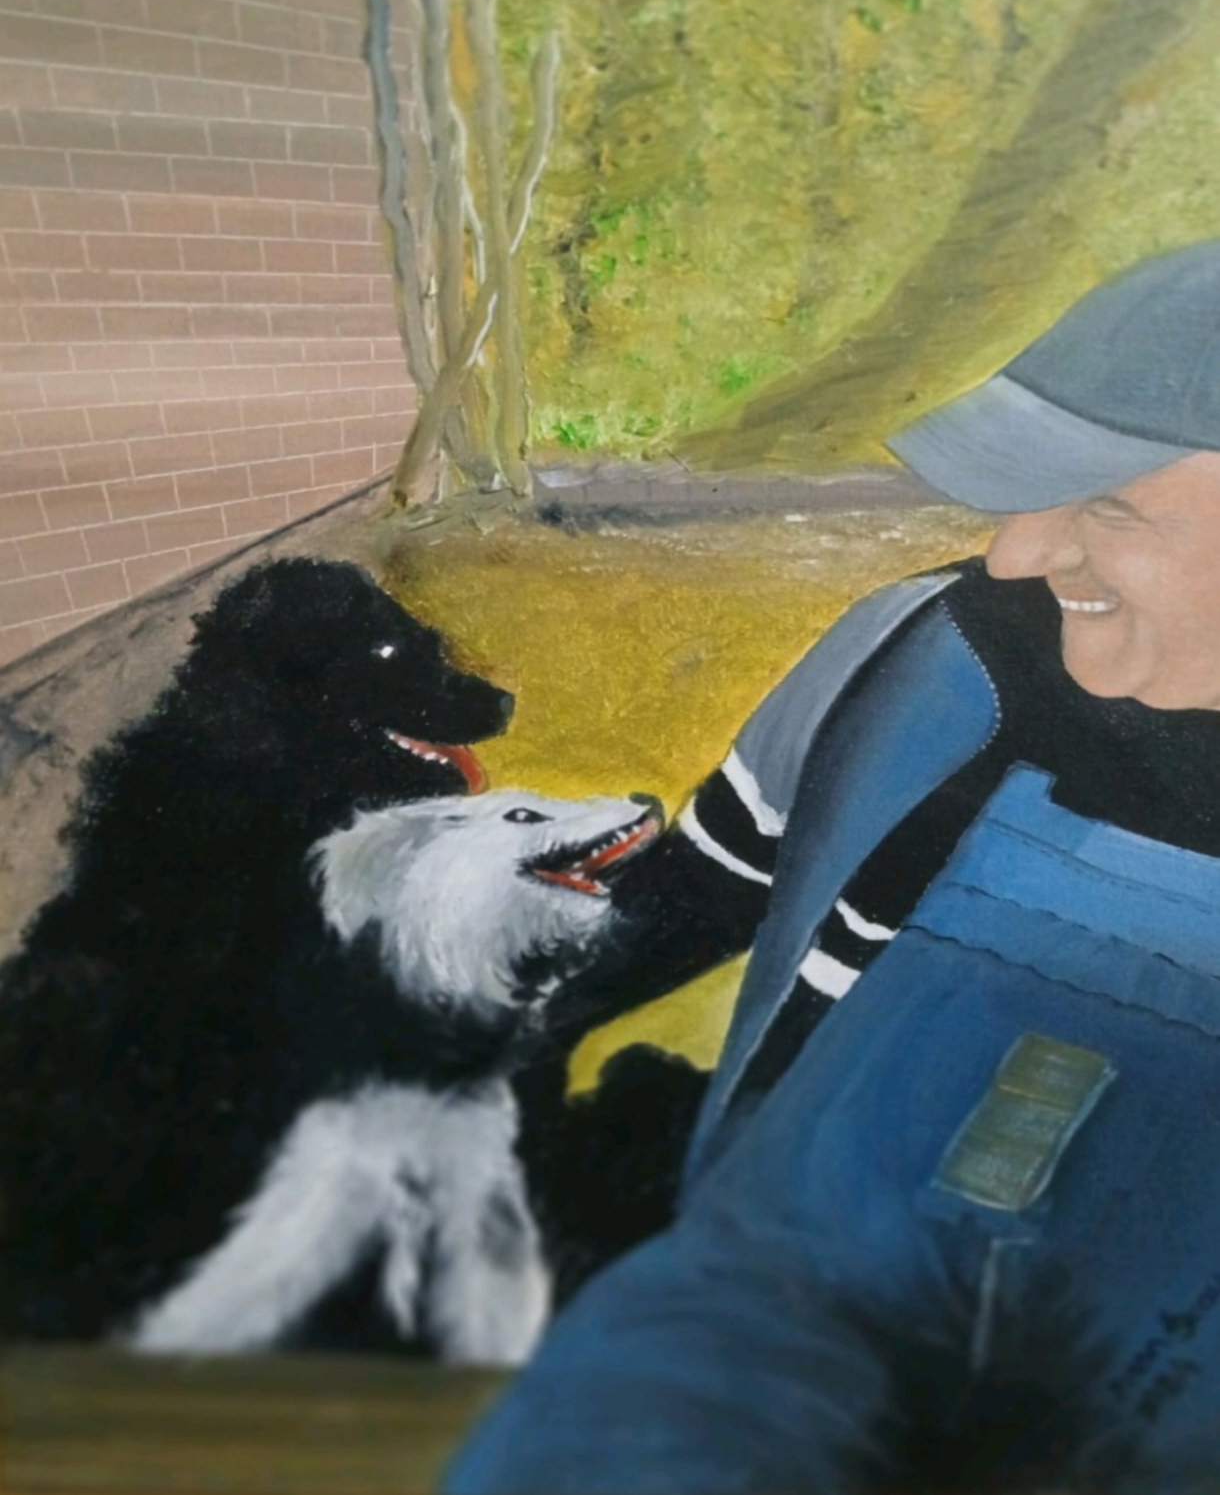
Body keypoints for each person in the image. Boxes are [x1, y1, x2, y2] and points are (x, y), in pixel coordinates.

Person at [447, 241, 1220, 1494]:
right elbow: (699, 892)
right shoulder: (915, 661)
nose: (1012, 557)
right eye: (1023, 496)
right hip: (752, 1340)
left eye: (1104, 506)